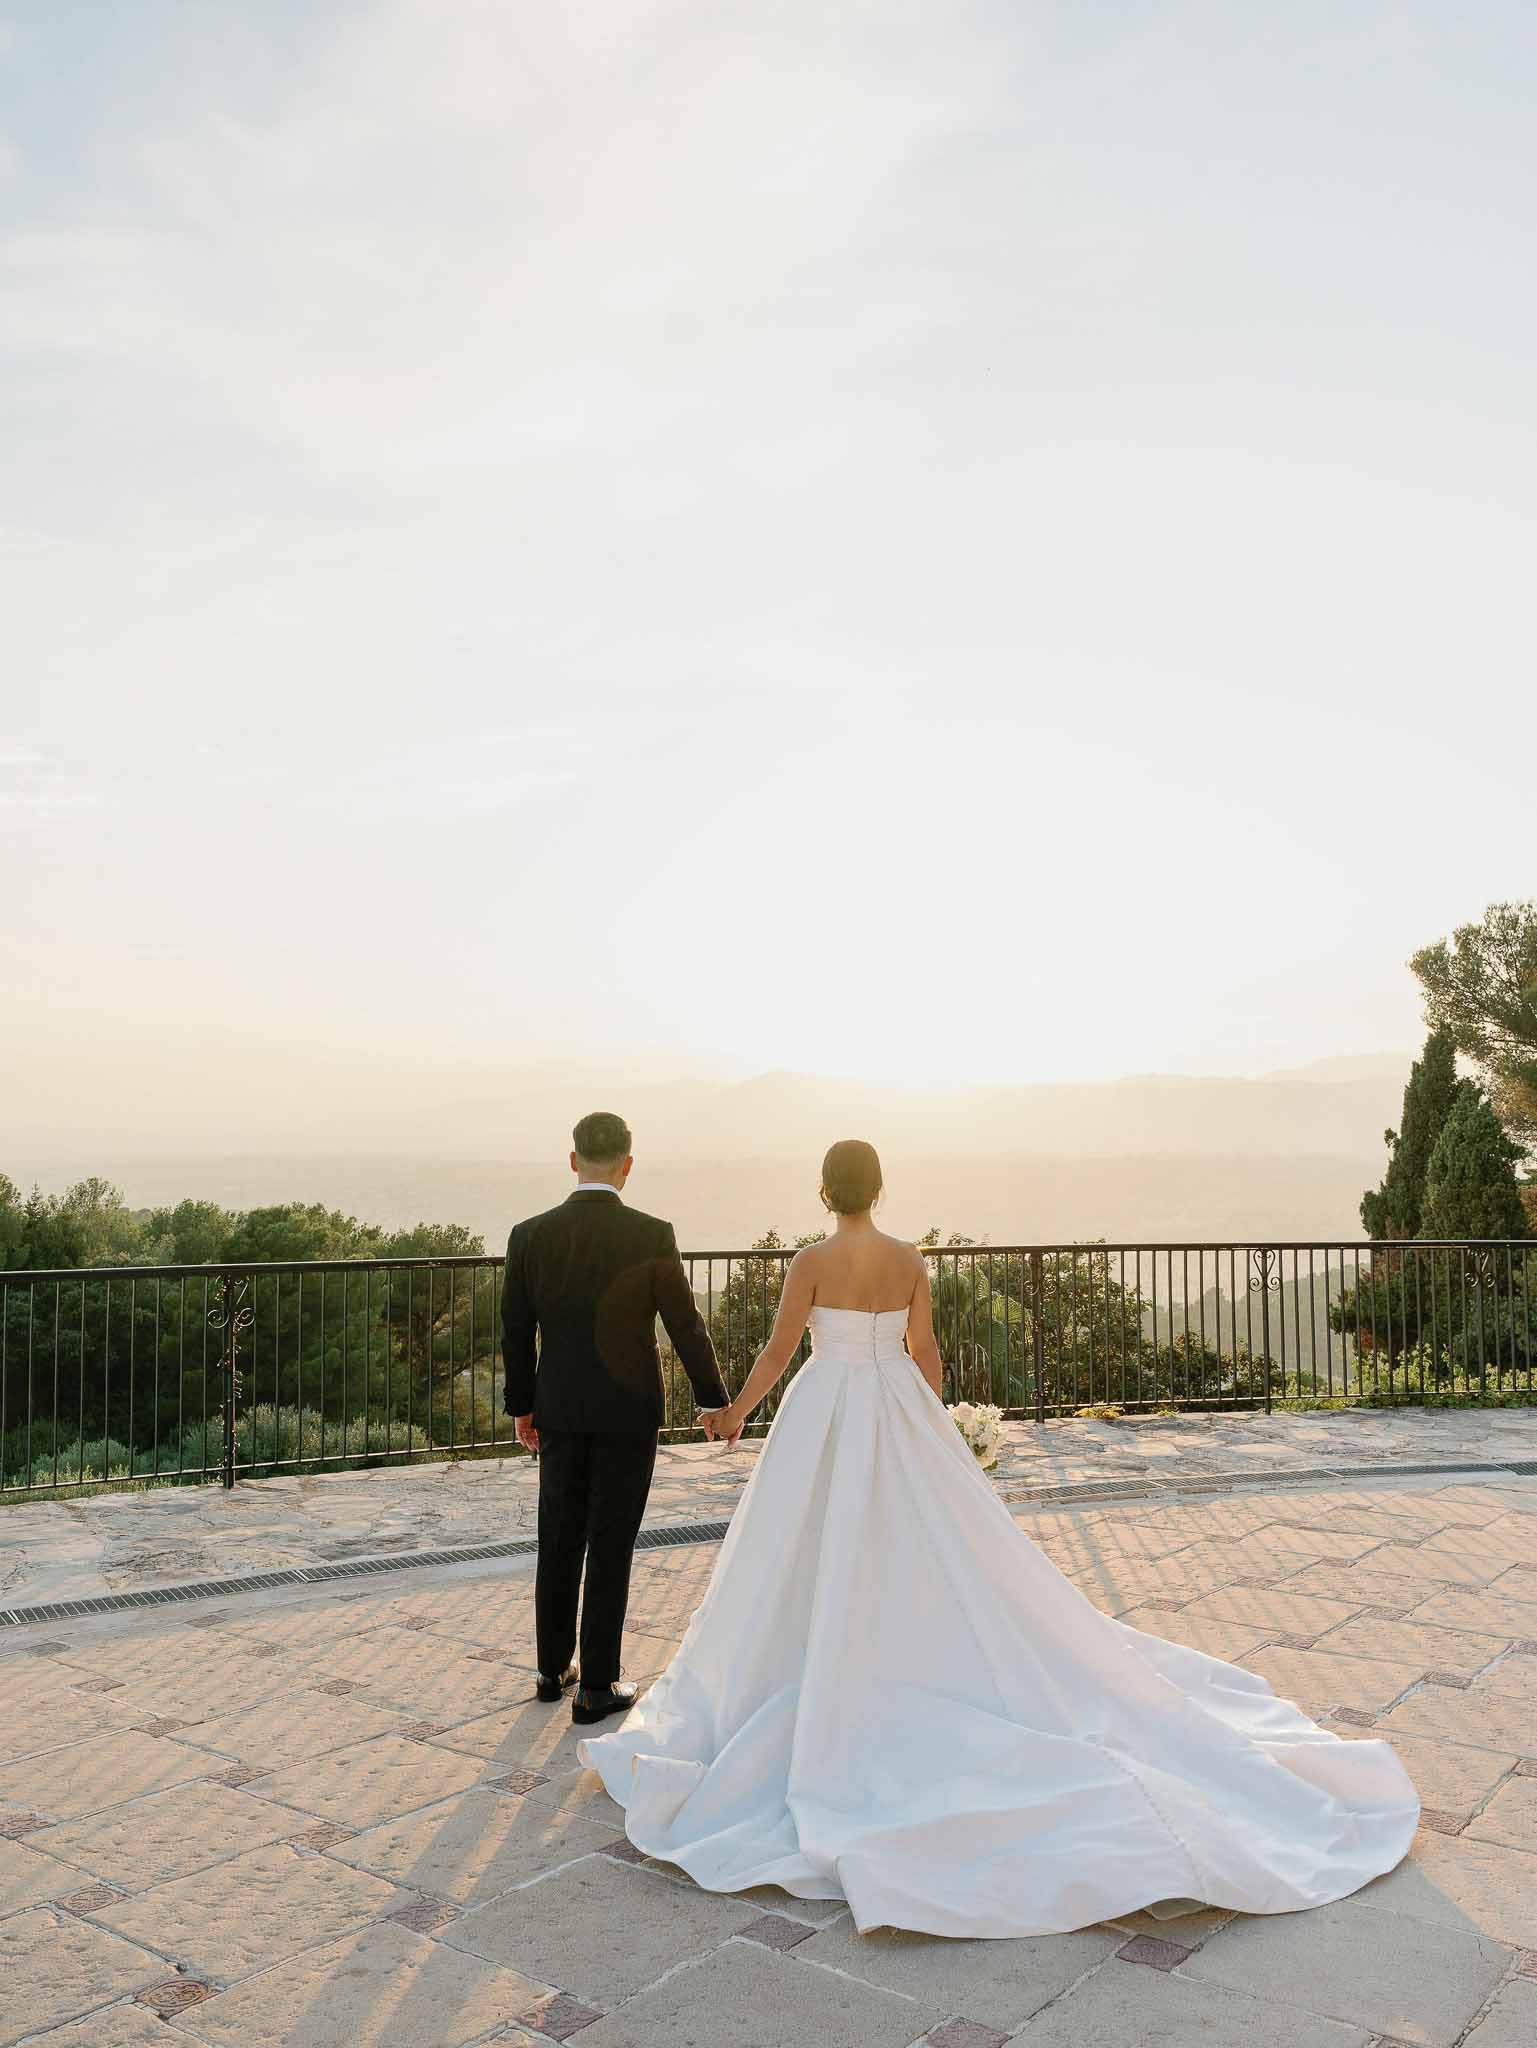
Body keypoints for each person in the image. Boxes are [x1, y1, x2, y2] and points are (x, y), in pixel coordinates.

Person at [578, 1138, 1420, 1938]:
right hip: (894, 1406)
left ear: (823, 1191)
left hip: (823, 1409)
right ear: (880, 1188)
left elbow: (780, 1347)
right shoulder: (910, 1259)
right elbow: (924, 1349)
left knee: (798, 1549)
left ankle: (826, 1655)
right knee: (920, 1543)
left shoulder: (808, 1261)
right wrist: (935, 1426)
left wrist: (735, 1413)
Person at [502, 1111, 734, 1726]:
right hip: (630, 1412)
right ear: (627, 1167)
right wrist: (715, 1402)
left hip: (558, 1407)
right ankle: (598, 1686)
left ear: (572, 1160)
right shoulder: (651, 1233)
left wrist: (523, 1405)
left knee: (558, 1536)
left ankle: (552, 1671)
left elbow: (517, 1331)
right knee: (610, 1542)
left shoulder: (529, 1235)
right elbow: (684, 1323)